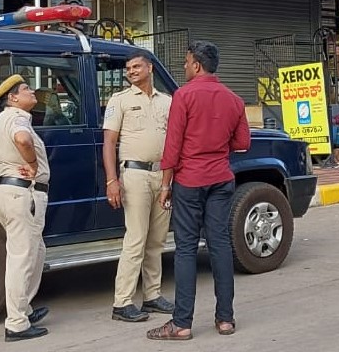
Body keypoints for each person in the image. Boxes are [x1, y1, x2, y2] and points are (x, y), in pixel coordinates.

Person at [147, 41, 250, 341]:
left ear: (196, 65)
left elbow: (173, 146)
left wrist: (165, 185)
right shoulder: (233, 99)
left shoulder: (184, 95)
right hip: (220, 178)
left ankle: (181, 323)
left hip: (190, 181)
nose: (183, 66)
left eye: (186, 61)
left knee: (186, 250)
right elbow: (243, 141)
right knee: (219, 245)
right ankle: (226, 319)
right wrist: (217, 145)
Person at [103, 51, 176, 323]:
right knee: (136, 239)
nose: (131, 71)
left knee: (157, 240)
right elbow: (109, 143)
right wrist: (112, 180)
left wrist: (169, 181)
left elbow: (172, 144)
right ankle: (122, 302)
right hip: (134, 175)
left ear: (150, 69)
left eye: (136, 66)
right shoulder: (119, 100)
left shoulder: (167, 102)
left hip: (162, 176)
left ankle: (152, 296)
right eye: (128, 68)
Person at [0, 74, 51, 342]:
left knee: (34, 252)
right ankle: (16, 323)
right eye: (26, 89)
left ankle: (23, 308)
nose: (32, 91)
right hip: (21, 192)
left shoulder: (5, 118)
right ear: (13, 97)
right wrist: (33, 164)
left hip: (11, 193)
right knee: (22, 257)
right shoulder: (17, 117)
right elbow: (23, 141)